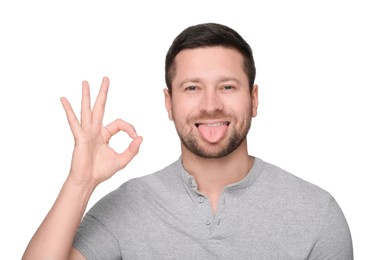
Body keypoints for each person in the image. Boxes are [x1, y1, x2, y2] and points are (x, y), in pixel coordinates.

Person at [23, 23, 353, 259]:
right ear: (169, 103)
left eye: (227, 87)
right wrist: (80, 182)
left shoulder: (317, 213)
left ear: (254, 99)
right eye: (192, 88)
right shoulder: (128, 207)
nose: (210, 105)